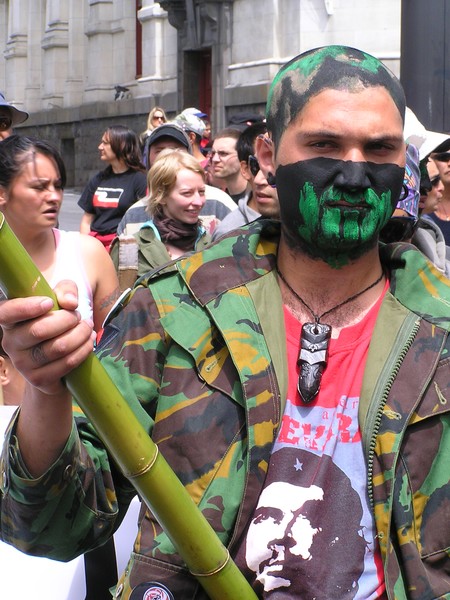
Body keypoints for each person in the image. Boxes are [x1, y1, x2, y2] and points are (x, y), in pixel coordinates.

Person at [0, 45, 449, 600]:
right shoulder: (173, 309)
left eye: (378, 148)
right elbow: (51, 526)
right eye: (324, 144)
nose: (354, 173)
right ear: (268, 154)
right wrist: (47, 387)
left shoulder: (442, 327)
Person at [0, 135, 120, 334]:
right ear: (2, 193)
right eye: (39, 187)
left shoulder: (89, 252)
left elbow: (116, 344)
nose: (54, 197)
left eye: (58, 186)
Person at [110, 150, 211, 290]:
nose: (198, 202)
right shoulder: (130, 250)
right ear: (161, 196)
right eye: (187, 193)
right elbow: (114, 306)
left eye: (201, 192)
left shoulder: (212, 244)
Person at [119, 122, 236, 236]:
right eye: (159, 151)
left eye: (176, 149)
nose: (167, 155)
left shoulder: (219, 204)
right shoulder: (133, 216)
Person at [78, 125, 147, 251]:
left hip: (122, 247)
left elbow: (145, 220)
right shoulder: (98, 179)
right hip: (95, 246)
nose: (100, 147)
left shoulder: (140, 180)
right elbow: (86, 221)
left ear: (121, 145)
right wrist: (85, 248)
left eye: (105, 143)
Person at [212, 122, 279, 240]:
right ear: (245, 169)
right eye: (255, 166)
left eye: (273, 167)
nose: (259, 180)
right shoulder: (230, 235)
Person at [210, 127, 248, 202]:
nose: (215, 159)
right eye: (213, 153)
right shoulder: (220, 199)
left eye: (223, 153)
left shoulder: (257, 200)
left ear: (242, 156)